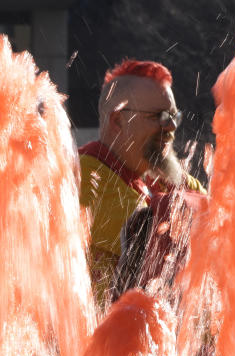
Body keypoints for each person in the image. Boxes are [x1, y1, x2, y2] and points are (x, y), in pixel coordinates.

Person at [78, 59, 205, 306]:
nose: (170, 126)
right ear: (117, 120)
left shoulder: (165, 178)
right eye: (157, 116)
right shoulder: (82, 176)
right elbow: (147, 233)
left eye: (172, 116)